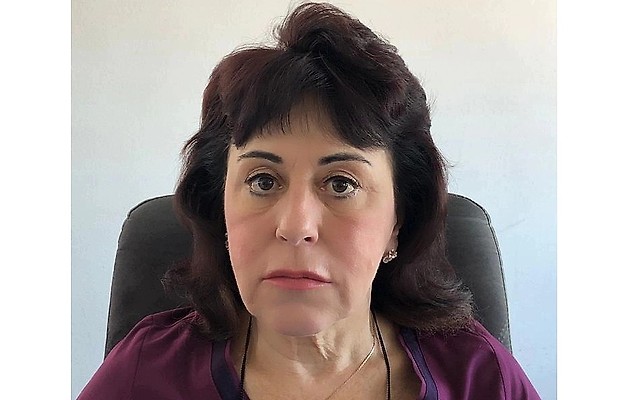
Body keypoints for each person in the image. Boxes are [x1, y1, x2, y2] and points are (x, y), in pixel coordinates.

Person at [78, 2, 541, 399]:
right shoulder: (145, 374)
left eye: (341, 184)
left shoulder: (476, 375)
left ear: (398, 221)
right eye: (263, 181)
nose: (296, 225)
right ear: (220, 207)